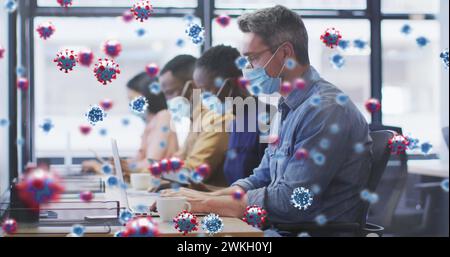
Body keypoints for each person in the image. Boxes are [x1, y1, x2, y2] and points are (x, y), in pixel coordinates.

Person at [155, 5, 373, 236]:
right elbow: (263, 175)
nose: (248, 70)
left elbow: (291, 202)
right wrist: (207, 196)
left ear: (285, 53)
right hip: (277, 229)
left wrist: (203, 204)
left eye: (253, 59)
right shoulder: (288, 106)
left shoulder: (325, 110)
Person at [193, 44, 274, 185]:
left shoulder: (268, 119)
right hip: (237, 204)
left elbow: (268, 187)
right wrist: (189, 191)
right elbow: (234, 190)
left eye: (207, 90)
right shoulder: (235, 124)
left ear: (229, 85)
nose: (203, 98)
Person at [159, 55, 233, 188]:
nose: (167, 100)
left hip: (212, 201)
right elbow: (178, 160)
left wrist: (157, 173)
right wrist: (134, 170)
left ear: (192, 87)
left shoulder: (216, 119)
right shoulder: (196, 120)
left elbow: (194, 170)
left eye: (170, 92)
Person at [82, 72, 178, 173]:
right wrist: (109, 166)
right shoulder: (150, 123)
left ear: (148, 97)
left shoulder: (164, 117)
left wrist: (107, 169)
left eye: (132, 99)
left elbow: (151, 163)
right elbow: (138, 161)